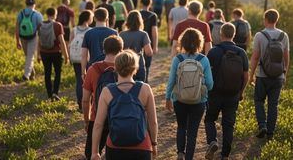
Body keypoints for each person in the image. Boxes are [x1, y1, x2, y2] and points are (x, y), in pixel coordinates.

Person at [91, 50, 158, 160]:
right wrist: (154, 143)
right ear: (135, 68)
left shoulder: (107, 91)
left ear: (116, 67)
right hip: (141, 146)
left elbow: (98, 124)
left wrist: (94, 152)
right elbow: (153, 121)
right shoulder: (145, 89)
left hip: (115, 146)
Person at [166, 28, 213, 160]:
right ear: (200, 42)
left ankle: (180, 152)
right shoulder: (204, 60)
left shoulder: (178, 59)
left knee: (181, 127)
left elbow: (171, 81)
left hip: (179, 100)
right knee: (192, 132)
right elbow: (210, 84)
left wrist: (168, 97)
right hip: (199, 100)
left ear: (183, 42)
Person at [205, 23, 249, 160]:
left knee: (210, 119)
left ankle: (212, 141)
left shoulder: (213, 51)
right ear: (234, 34)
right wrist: (241, 92)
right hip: (233, 94)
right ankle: (225, 155)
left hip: (215, 94)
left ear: (221, 34)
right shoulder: (241, 52)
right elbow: (246, 76)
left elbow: (206, 74)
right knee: (228, 125)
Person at [249, 9, 290, 140]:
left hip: (262, 75)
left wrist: (251, 75)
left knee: (259, 100)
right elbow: (286, 57)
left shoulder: (260, 35)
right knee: (273, 104)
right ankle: (270, 133)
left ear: (265, 19)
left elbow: (255, 57)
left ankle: (262, 125)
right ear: (276, 20)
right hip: (278, 76)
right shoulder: (284, 36)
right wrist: (284, 73)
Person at [83, 35, 123, 160]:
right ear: (121, 50)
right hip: (119, 117)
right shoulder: (125, 68)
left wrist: (87, 120)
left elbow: (85, 99)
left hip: (97, 117)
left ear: (104, 50)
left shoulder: (93, 69)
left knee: (91, 154)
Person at [37, 7, 69, 100]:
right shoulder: (58, 25)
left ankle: (49, 95)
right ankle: (55, 92)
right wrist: (66, 56)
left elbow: (39, 41)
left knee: (47, 73)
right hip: (56, 53)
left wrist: (38, 55)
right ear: (55, 14)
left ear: (47, 15)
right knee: (57, 73)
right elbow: (62, 42)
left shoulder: (40, 25)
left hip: (44, 52)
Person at [81, 8, 118, 79]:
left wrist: (83, 72)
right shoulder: (114, 33)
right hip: (111, 67)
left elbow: (84, 55)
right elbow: (119, 52)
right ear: (107, 19)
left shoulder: (88, 33)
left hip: (93, 68)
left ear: (94, 18)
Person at [69, 10, 93, 110]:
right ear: (88, 18)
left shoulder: (74, 30)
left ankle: (79, 103)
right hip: (87, 58)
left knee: (79, 80)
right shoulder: (90, 30)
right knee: (88, 81)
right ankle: (88, 102)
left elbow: (70, 44)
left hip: (75, 58)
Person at [120, 11, 153, 82]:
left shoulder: (122, 34)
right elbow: (148, 52)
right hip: (139, 64)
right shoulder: (143, 34)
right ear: (140, 21)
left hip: (125, 65)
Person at [15, 0, 43, 81]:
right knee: (30, 56)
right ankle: (32, 74)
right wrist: (41, 41)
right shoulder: (38, 15)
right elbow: (41, 28)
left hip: (22, 37)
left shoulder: (20, 13)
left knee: (29, 56)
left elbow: (17, 27)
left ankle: (26, 75)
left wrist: (17, 41)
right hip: (33, 37)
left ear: (26, 4)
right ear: (34, 5)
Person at [140, 0, 158, 82]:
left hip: (138, 41)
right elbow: (154, 32)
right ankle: (145, 81)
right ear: (150, 3)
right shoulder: (153, 16)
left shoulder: (137, 14)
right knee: (146, 65)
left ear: (141, 3)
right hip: (148, 42)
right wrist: (155, 46)